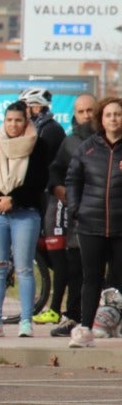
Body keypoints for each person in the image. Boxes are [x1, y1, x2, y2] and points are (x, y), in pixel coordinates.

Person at [0, 99, 54, 337]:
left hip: (25, 213)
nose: (13, 125)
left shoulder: (38, 145)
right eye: (9, 120)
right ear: (3, 121)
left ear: (25, 121)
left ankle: (26, 321)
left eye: (18, 120)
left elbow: (38, 180)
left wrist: (14, 199)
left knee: (24, 269)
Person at [63, 96, 122, 347]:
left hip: (121, 225)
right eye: (108, 115)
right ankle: (85, 327)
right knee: (91, 278)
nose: (113, 119)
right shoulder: (87, 147)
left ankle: (113, 322)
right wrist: (76, 209)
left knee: (118, 278)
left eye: (118, 114)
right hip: (91, 224)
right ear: (101, 119)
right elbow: (72, 179)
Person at [49, 93, 98, 337]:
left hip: (111, 215)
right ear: (75, 115)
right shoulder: (69, 142)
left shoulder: (111, 140)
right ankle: (73, 317)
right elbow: (55, 171)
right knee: (76, 270)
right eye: (82, 112)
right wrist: (59, 190)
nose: (87, 116)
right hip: (79, 217)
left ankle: (106, 318)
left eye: (91, 110)